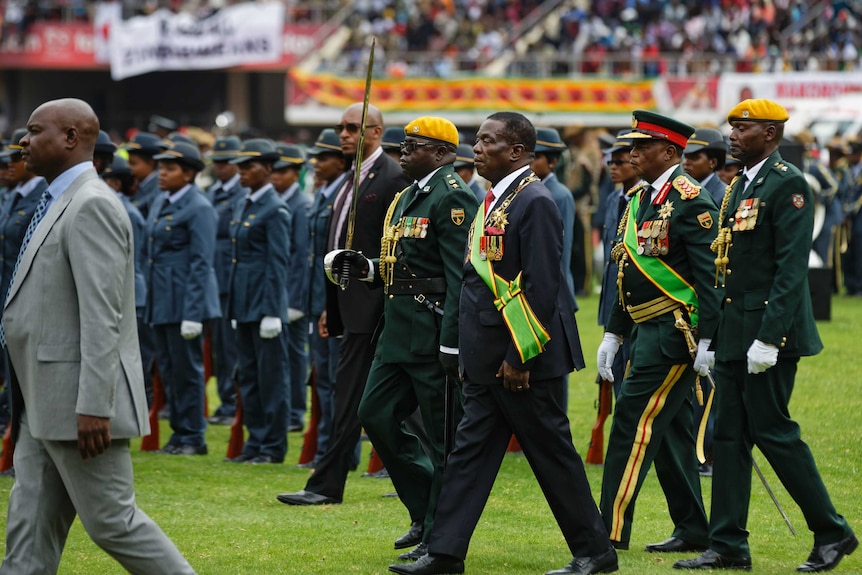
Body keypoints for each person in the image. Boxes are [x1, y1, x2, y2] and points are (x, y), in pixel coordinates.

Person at [389, 112, 615, 575]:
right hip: (485, 358)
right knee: (468, 456)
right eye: (478, 139)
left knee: (552, 457)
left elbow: (541, 287)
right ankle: (446, 554)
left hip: (521, 361)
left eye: (488, 141)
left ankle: (596, 551)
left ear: (516, 151)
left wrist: (519, 356)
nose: (477, 146)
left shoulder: (535, 202)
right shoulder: (493, 198)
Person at [0, 97, 196, 575]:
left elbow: (103, 315)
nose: (23, 140)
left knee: (113, 523)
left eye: (34, 130)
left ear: (70, 137)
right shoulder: (58, 199)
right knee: (27, 538)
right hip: (41, 400)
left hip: (76, 405)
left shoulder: (91, 204)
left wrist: (94, 404)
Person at [675, 99, 857, 572]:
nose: (733, 134)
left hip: (769, 336)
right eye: (732, 126)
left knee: (774, 432)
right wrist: (711, 338)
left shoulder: (788, 184)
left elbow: (790, 269)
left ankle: (833, 532)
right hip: (736, 332)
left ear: (771, 134)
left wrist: (769, 338)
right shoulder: (740, 187)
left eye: (744, 127)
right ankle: (728, 543)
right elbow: (724, 271)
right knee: (731, 438)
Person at [333, 116, 477, 559]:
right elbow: (400, 265)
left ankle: (438, 533)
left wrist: (452, 342)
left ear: (441, 153)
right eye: (402, 145)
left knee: (441, 441)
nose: (403, 152)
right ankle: (423, 506)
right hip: (395, 331)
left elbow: (459, 280)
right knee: (373, 414)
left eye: (413, 146)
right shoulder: (407, 197)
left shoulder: (453, 198)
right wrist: (367, 268)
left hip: (431, 331)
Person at [596, 110, 718, 553]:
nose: (631, 153)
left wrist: (708, 338)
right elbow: (629, 271)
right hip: (644, 329)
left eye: (640, 146)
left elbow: (709, 280)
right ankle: (692, 528)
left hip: (673, 334)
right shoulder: (639, 199)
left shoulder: (690, 200)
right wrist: (613, 334)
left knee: (631, 424)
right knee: (669, 433)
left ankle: (605, 533)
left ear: (669, 152)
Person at [276, 103, 408, 505]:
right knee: (357, 398)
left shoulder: (391, 176)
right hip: (347, 305)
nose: (344, 134)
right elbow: (338, 246)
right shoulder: (351, 176)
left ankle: (328, 484)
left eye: (353, 127)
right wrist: (330, 307)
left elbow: (394, 246)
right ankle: (334, 483)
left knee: (363, 399)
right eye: (341, 127)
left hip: (378, 308)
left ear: (376, 132)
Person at [146, 141, 220, 455]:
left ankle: (192, 436)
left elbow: (201, 262)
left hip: (184, 299)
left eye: (170, 168)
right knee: (169, 369)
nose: (162, 173)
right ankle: (178, 433)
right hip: (162, 298)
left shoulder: (198, 206)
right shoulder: (160, 201)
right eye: (160, 167)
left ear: (188, 174)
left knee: (187, 370)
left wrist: (193, 313)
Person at [226, 138, 291, 464]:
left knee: (270, 378)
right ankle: (254, 441)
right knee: (248, 376)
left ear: (267, 169)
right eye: (240, 167)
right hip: (244, 303)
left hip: (264, 305)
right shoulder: (243, 204)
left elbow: (277, 263)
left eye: (249, 166)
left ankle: (272, 445)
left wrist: (271, 311)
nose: (242, 172)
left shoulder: (275, 209)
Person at [303, 129, 348, 467]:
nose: (316, 164)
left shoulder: (347, 195)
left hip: (336, 303)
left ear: (341, 161)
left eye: (324, 158)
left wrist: (330, 305)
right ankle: (324, 451)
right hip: (317, 299)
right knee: (321, 383)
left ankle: (339, 454)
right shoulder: (323, 194)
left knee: (338, 383)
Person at [204, 136, 246, 425]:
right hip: (214, 279)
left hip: (233, 280)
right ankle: (224, 400)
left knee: (233, 348)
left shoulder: (243, 194)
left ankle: (233, 402)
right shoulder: (211, 194)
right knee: (219, 346)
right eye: (217, 162)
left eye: (226, 162)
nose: (220, 167)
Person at [271, 143, 312, 433]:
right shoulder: (277, 200)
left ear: (296, 173)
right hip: (275, 291)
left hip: (292, 293)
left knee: (295, 357)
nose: (276, 176)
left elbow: (301, 255)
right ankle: (284, 409)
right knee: (278, 356)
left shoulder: (301, 204)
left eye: (283, 171)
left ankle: (296, 411)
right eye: (273, 170)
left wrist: (295, 300)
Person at [597, 130, 639, 395]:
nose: (613, 168)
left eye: (619, 162)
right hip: (613, 301)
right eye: (610, 162)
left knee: (632, 377)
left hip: (635, 305)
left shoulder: (642, 199)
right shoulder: (614, 199)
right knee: (614, 376)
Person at [533, 127, 577, 306]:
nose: (529, 163)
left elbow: (562, 249)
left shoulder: (560, 194)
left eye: (536, 157)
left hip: (555, 289)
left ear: (552, 162)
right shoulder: (532, 189)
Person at [122, 132, 162, 219]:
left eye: (133, 163)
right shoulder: (135, 184)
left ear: (151, 163)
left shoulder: (158, 190)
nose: (128, 167)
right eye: (128, 162)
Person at [683, 127, 727, 205]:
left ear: (713, 162)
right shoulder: (682, 189)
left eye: (694, 158)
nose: (686, 162)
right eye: (686, 157)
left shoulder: (723, 195)